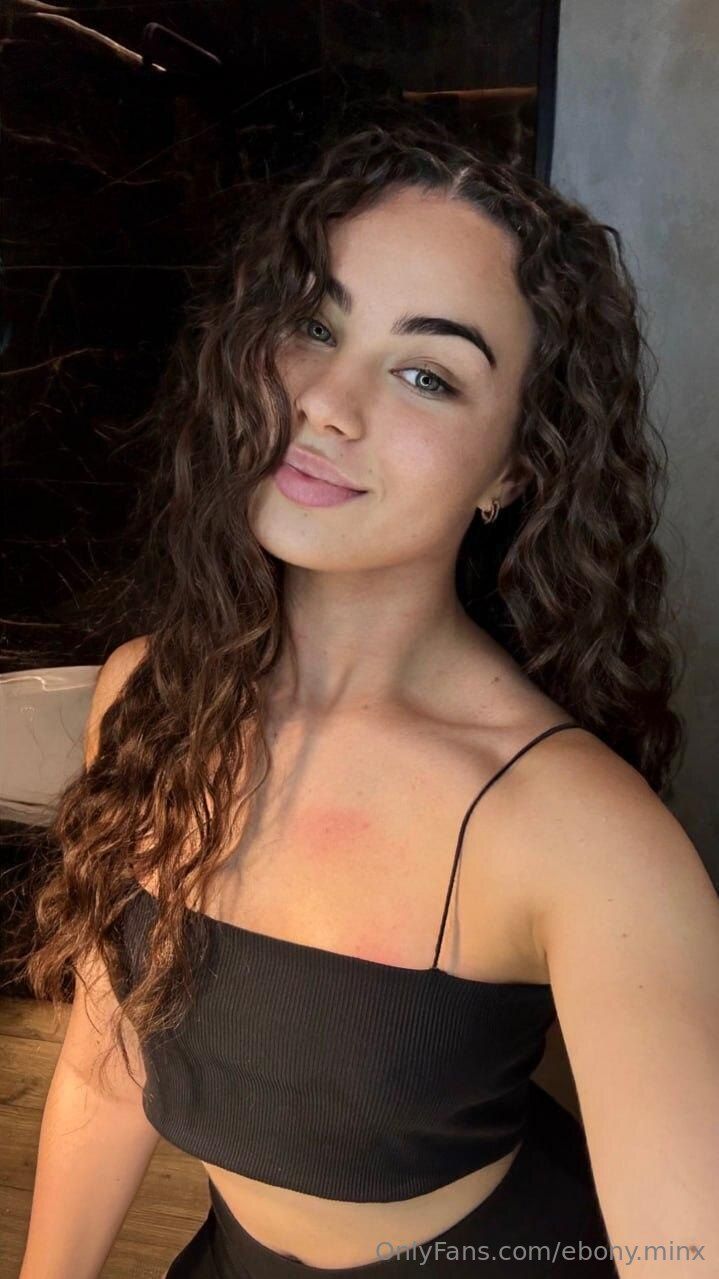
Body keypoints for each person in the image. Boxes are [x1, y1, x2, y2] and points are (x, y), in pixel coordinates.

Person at [13, 119, 719, 1279]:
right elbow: (108, 1065)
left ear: (513, 468)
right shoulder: (151, 696)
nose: (328, 403)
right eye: (311, 324)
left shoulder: (583, 836)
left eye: (425, 374)